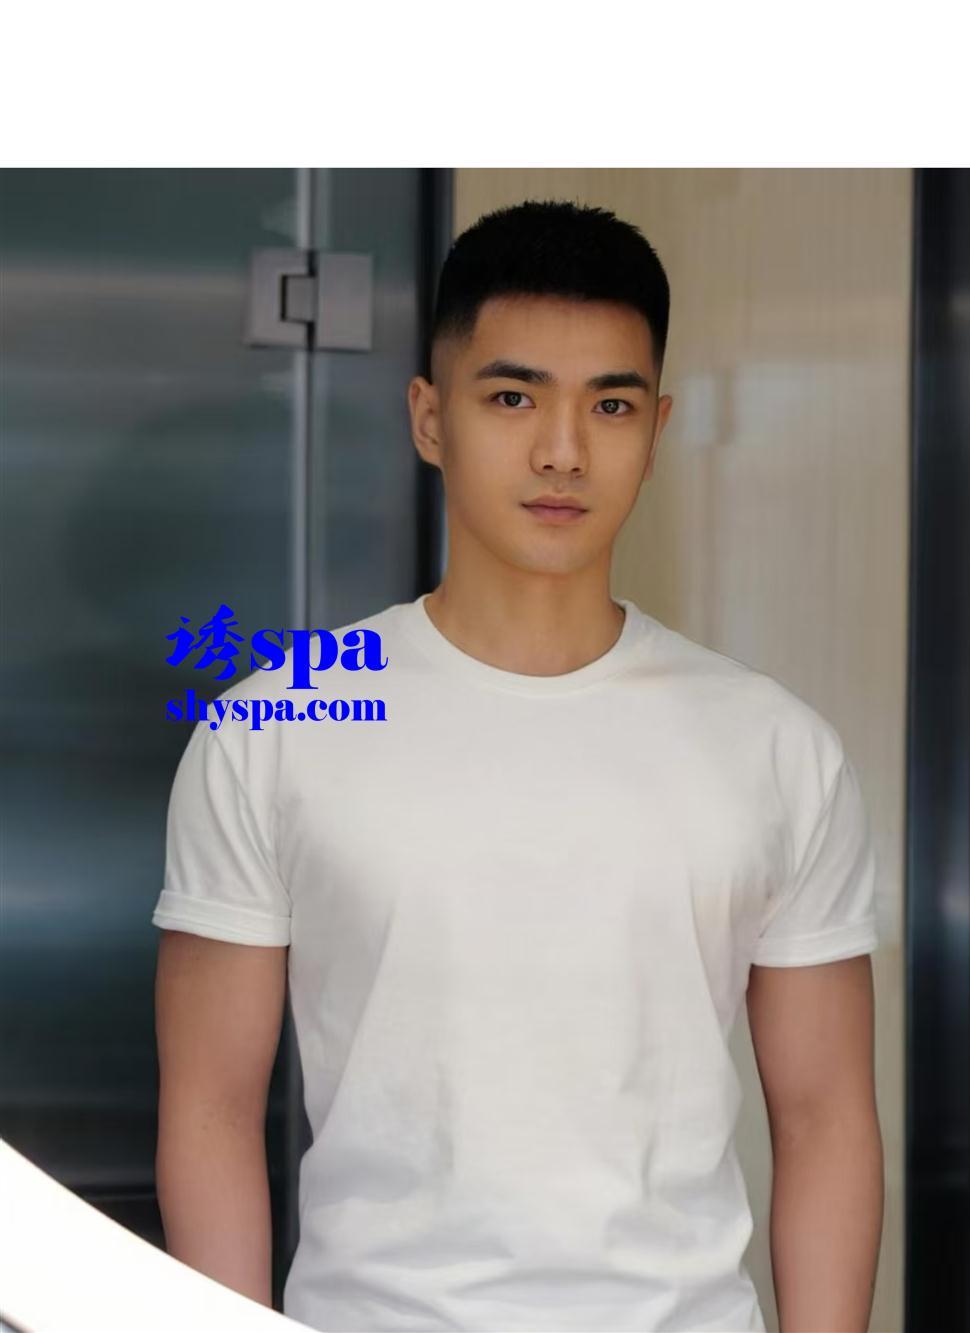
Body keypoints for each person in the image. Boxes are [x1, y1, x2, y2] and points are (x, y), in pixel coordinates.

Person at [152, 199, 884, 1333]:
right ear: (428, 417)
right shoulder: (277, 726)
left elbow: (826, 1116)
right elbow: (209, 1108)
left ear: (657, 427)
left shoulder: (776, 748)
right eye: (512, 397)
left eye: (611, 405)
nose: (562, 450)